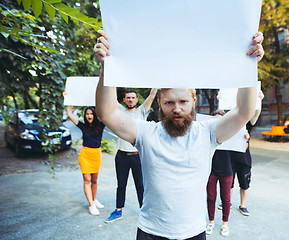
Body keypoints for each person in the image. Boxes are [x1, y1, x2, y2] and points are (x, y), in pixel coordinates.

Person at [94, 30, 264, 239]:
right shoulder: (146, 133)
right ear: (159, 104)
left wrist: (249, 65)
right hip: (150, 232)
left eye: (183, 102)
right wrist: (106, 68)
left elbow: (244, 111)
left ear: (193, 102)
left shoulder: (207, 132)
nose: (176, 109)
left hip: (193, 233)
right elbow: (106, 112)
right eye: (169, 103)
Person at [105, 88, 157, 223]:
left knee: (140, 184)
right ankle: (118, 211)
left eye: (133, 97)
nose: (130, 100)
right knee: (121, 185)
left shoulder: (141, 111)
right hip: (121, 155)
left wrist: (158, 81)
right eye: (128, 97)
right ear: (124, 100)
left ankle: (144, 211)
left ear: (137, 99)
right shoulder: (120, 111)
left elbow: (152, 95)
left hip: (137, 156)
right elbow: (110, 97)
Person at [226, 90, 264, 217]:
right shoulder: (228, 118)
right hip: (229, 156)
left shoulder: (247, 119)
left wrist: (259, 100)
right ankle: (227, 203)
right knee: (229, 182)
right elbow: (218, 117)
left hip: (243, 157)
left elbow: (256, 115)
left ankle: (243, 205)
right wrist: (221, 99)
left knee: (244, 182)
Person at [65, 105, 105, 216]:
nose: (89, 116)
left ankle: (94, 199)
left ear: (95, 115)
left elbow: (107, 111)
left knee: (95, 180)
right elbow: (70, 115)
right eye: (87, 114)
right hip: (85, 155)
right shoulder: (83, 126)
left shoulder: (101, 125)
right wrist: (67, 102)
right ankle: (91, 205)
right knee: (87, 180)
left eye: (91, 113)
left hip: (96, 155)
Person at [205, 109, 233, 237]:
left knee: (226, 199)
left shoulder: (232, 135)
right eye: (215, 120)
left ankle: (225, 223)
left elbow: (241, 150)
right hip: (211, 170)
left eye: (220, 119)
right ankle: (211, 222)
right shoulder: (207, 135)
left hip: (227, 170)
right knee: (211, 197)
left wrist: (245, 139)